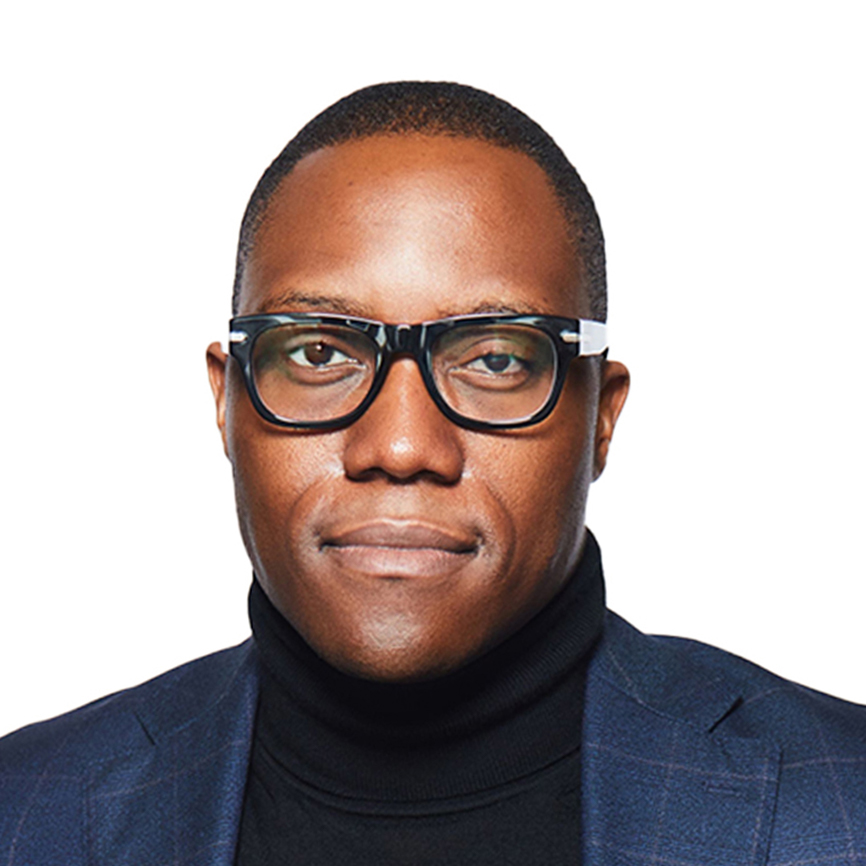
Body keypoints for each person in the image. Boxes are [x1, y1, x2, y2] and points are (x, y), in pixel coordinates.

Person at [1, 81, 864, 865]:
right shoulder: (26, 808)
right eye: (319, 353)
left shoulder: (842, 803)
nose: (403, 445)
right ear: (226, 402)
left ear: (601, 415)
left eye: (495, 359)